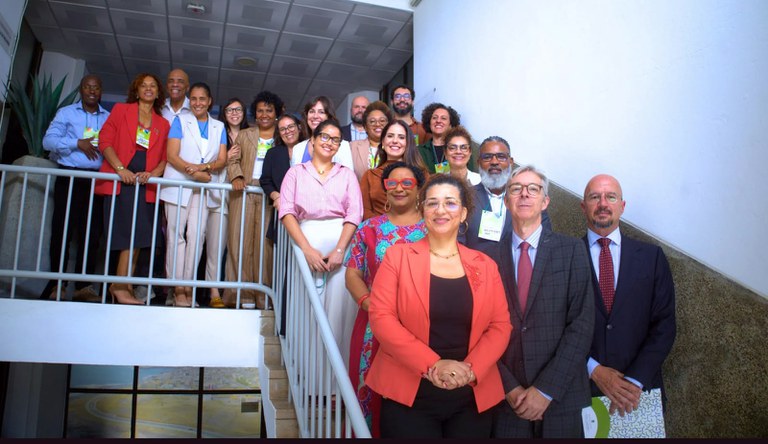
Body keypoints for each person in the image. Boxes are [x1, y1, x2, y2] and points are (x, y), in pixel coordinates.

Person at [365, 174, 512, 438]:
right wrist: (434, 365)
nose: (440, 210)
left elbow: (500, 326)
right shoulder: (397, 257)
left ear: (463, 213)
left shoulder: (485, 265)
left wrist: (470, 370)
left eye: (450, 203)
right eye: (432, 203)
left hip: (471, 393)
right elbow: (381, 318)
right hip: (409, 393)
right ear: (423, 211)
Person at [493, 165, 594, 438]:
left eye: (533, 189)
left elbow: (582, 325)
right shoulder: (488, 257)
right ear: (506, 201)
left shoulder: (572, 250)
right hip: (508, 402)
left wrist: (546, 390)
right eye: (516, 189)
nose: (524, 194)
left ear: (545, 201)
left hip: (561, 398)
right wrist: (509, 387)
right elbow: (480, 330)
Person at [580, 174, 676, 416]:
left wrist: (633, 381)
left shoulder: (652, 258)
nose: (603, 203)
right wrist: (593, 370)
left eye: (611, 197)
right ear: (583, 206)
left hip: (638, 395)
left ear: (622, 206)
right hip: (582, 392)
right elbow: (556, 325)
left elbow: (664, 325)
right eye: (595, 197)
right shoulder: (565, 257)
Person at [344, 162, 428, 437]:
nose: (399, 188)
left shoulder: (433, 228)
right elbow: (353, 274)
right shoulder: (368, 228)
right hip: (373, 326)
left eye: (407, 183)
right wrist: (370, 304)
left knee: (415, 397)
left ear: (419, 189)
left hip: (421, 328)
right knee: (368, 393)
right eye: (392, 183)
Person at [279, 120, 363, 368]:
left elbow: (354, 214)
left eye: (335, 139)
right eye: (324, 137)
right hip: (305, 244)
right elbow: (286, 212)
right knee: (306, 310)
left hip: (341, 247)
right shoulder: (295, 173)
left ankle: (336, 382)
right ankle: (306, 376)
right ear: (313, 141)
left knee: (339, 314)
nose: (329, 142)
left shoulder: (347, 175)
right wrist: (306, 250)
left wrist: (340, 250)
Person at [94, 73, 170, 305]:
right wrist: (120, 169)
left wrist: (153, 174)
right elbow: (104, 141)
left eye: (153, 86)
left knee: (140, 235)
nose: (148, 89)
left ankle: (125, 285)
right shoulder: (121, 110)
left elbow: (165, 158)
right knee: (127, 234)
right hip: (122, 182)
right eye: (143, 85)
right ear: (136, 91)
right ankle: (119, 286)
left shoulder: (163, 123)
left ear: (158, 93)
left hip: (146, 185)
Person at [40, 74, 108, 302]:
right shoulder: (66, 113)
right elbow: (48, 141)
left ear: (100, 91)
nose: (92, 91)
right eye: (88, 87)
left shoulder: (108, 118)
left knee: (92, 234)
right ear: (81, 89)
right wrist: (77, 143)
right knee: (63, 231)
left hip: (96, 181)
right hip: (69, 178)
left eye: (96, 87)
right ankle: (56, 284)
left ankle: (83, 287)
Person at [160, 82, 227, 307]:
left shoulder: (219, 126)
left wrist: (202, 170)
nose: (198, 103)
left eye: (202, 99)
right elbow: (172, 155)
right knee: (176, 235)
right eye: (194, 99)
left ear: (209, 101)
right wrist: (193, 172)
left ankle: (188, 288)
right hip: (178, 184)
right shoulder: (180, 121)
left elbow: (221, 160)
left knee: (197, 237)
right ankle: (177, 289)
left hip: (203, 188)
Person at [224, 91, 285, 309]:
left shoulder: (282, 137)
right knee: (238, 243)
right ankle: (241, 295)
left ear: (276, 113)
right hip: (243, 192)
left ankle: (262, 296)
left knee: (264, 248)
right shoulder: (244, 135)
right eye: (260, 111)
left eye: (269, 110)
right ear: (255, 113)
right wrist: (237, 176)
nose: (264, 114)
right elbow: (233, 160)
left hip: (269, 196)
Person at [460, 136, 552, 259]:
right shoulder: (464, 197)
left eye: (501, 156)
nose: (494, 162)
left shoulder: (529, 199)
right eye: (487, 157)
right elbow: (457, 242)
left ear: (511, 162)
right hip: (476, 268)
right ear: (478, 162)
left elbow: (545, 242)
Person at [203, 97, 250, 308]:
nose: (234, 113)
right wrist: (226, 158)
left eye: (238, 109)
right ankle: (214, 291)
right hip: (219, 197)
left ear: (244, 113)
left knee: (239, 248)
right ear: (224, 113)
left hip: (242, 199)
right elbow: (206, 163)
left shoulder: (250, 134)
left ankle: (236, 293)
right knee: (216, 247)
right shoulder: (217, 132)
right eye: (230, 110)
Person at [359, 120, 426, 220]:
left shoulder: (422, 174)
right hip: (377, 227)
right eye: (390, 136)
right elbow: (364, 211)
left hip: (414, 228)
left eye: (401, 137)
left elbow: (427, 208)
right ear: (383, 142)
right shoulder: (370, 175)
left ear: (408, 143)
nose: (395, 141)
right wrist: (384, 227)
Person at [261, 113, 308, 242]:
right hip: (283, 213)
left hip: (307, 213)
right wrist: (276, 196)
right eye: (283, 129)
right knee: (282, 252)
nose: (288, 131)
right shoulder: (273, 154)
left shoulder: (310, 149)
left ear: (299, 127)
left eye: (291, 126)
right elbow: (265, 181)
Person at [289, 96, 353, 170]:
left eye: (321, 112)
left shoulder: (343, 146)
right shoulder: (297, 149)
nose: (315, 116)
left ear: (329, 117)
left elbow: (347, 176)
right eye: (312, 111)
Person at [418, 103, 476, 174]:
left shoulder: (462, 148)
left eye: (443, 118)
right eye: (434, 118)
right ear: (429, 123)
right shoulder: (419, 151)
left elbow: (470, 174)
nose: (438, 121)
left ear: (450, 124)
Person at [349, 101, 392, 180]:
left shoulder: (395, 147)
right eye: (372, 121)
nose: (377, 124)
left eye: (382, 121)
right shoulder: (352, 147)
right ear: (365, 127)